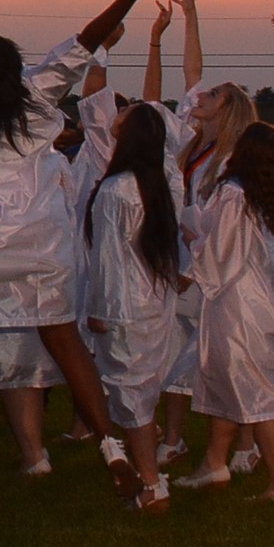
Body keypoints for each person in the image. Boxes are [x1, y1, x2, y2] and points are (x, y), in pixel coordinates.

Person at [0, 0, 171, 496]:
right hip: (45, 248)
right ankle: (111, 447)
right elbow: (84, 41)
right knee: (67, 346)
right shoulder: (34, 96)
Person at [175, 122, 274, 502]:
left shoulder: (236, 196)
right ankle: (214, 463)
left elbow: (220, 255)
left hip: (239, 307)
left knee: (261, 396)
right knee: (225, 384)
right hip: (263, 303)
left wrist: (191, 238)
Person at [84, 101, 185, 509]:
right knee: (142, 391)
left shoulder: (117, 190)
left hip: (124, 305)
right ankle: (142, 467)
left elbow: (108, 257)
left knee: (131, 396)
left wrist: (99, 310)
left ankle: (150, 483)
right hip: (155, 301)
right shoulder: (164, 183)